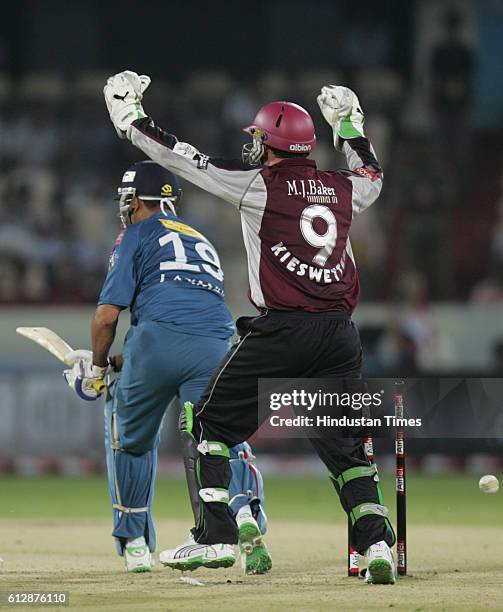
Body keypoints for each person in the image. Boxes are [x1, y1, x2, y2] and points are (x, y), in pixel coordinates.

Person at [103, 71, 396, 584]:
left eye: (257, 138)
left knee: (209, 425)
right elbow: (371, 171)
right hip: (339, 337)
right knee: (347, 450)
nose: (252, 146)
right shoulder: (346, 190)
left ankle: (214, 536)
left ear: (273, 144)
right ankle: (376, 549)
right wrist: (349, 125)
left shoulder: (258, 185)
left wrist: (132, 120)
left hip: (282, 331)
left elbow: (182, 159)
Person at [63, 160, 271, 575]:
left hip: (156, 343)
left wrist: (100, 369)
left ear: (136, 200)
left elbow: (107, 317)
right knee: (218, 437)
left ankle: (135, 541)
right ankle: (244, 515)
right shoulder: (201, 238)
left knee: (129, 437)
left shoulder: (134, 234)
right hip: (218, 343)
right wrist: (121, 360)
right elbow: (190, 316)